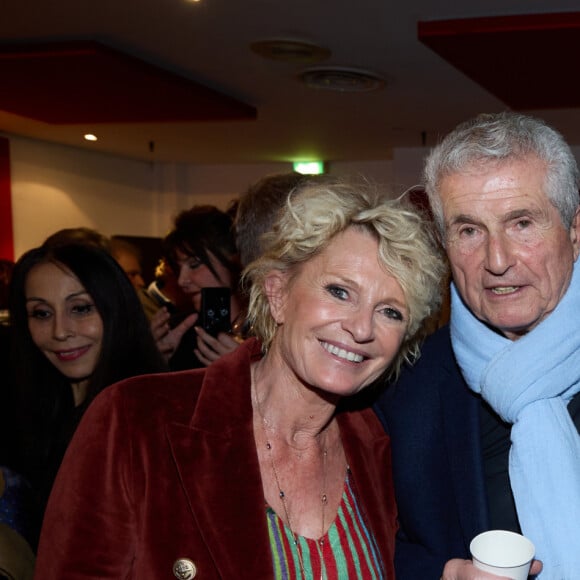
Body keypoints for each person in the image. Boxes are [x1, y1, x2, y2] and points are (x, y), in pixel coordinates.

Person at [34, 179, 445, 578]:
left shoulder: (380, 447)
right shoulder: (137, 420)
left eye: (391, 311)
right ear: (277, 293)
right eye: (339, 291)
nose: (361, 328)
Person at [374, 112, 580, 579]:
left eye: (522, 223)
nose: (497, 260)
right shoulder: (403, 389)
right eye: (469, 230)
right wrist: (440, 575)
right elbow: (372, 545)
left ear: (575, 229)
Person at [8, 243, 166, 520]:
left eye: (80, 309)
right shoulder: (28, 413)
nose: (60, 332)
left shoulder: (149, 422)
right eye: (42, 313)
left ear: (116, 309)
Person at [151, 205, 246, 369]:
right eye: (178, 268)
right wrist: (154, 361)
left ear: (234, 259)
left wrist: (248, 371)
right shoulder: (178, 332)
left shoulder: (269, 330)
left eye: (194, 265)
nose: (182, 280)